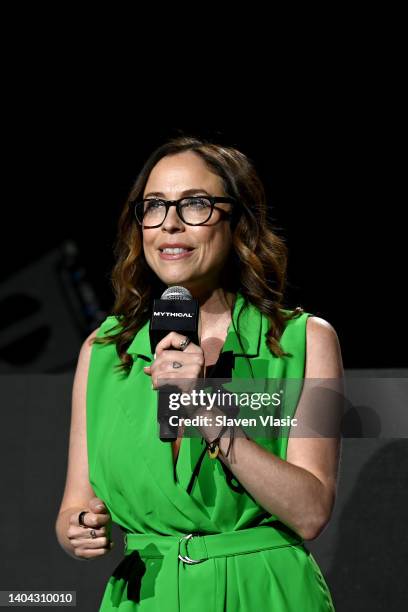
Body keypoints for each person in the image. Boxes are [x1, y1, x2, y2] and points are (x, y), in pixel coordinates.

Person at [55, 136, 343, 611]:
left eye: (195, 204)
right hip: (147, 596)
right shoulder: (104, 351)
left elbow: (310, 511)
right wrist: (77, 530)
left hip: (265, 593)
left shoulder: (306, 340)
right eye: (153, 206)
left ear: (239, 223)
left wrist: (207, 409)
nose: (169, 223)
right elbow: (75, 506)